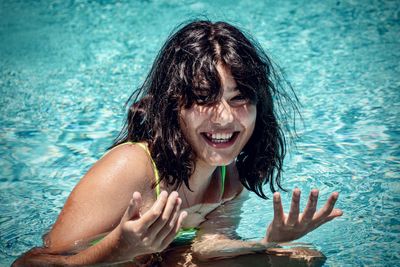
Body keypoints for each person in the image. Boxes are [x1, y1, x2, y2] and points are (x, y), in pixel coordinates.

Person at [13, 20, 343, 266]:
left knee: (304, 258)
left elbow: (205, 248)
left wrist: (266, 241)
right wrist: (117, 248)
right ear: (174, 106)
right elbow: (27, 264)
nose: (226, 118)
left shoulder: (228, 179)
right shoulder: (131, 169)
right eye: (204, 98)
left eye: (239, 97)